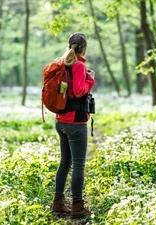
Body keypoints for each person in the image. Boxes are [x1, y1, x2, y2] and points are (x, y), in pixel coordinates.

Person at [51, 32, 95, 219]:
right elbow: (78, 91)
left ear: (69, 46)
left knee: (65, 162)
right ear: (83, 48)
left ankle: (58, 202)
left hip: (60, 120)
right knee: (78, 163)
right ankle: (77, 205)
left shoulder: (62, 63)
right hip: (75, 122)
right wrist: (90, 80)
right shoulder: (78, 65)